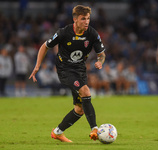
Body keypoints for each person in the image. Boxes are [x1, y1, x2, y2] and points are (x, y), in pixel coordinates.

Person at [29, 5, 106, 142]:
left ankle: (57, 132)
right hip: (65, 70)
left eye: (88, 18)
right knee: (86, 91)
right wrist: (37, 66)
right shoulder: (64, 32)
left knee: (79, 109)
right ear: (75, 19)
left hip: (80, 70)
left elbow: (102, 54)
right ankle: (94, 128)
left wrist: (100, 61)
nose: (87, 21)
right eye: (83, 19)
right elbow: (45, 46)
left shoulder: (92, 33)